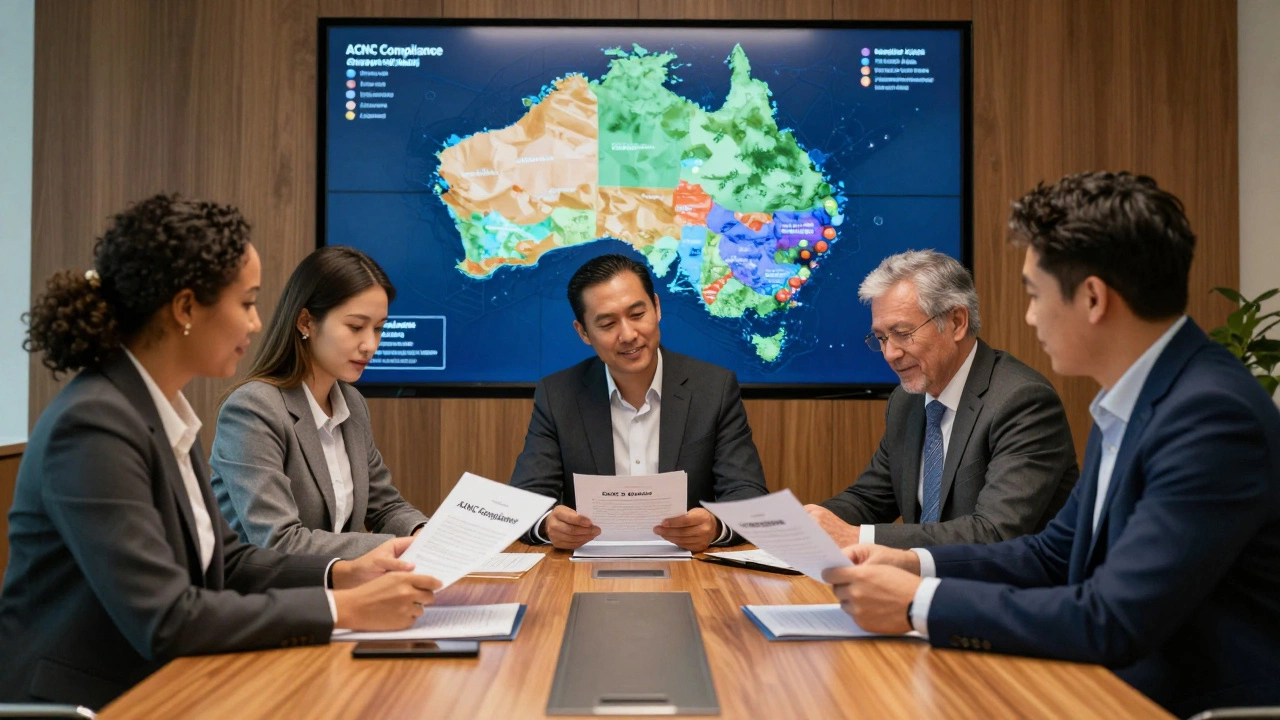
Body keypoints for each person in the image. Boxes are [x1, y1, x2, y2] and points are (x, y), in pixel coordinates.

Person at [823, 172, 1280, 717]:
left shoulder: (1209, 416)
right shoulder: (1139, 398)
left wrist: (919, 602)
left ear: (1092, 298)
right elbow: (1052, 554)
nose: (1030, 316)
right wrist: (911, 564)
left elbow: (1111, 620)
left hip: (1174, 703)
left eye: (1035, 295)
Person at [0, 195, 440, 709]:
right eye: (247, 303)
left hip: (166, 681)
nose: (256, 324)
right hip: (93, 701)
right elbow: (167, 618)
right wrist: (342, 609)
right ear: (186, 308)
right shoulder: (93, 424)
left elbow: (228, 561)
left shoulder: (159, 409)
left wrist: (345, 573)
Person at [805, 250, 1078, 548]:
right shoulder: (906, 402)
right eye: (881, 337)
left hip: (1008, 577)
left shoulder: (1022, 401)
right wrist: (801, 524)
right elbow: (869, 499)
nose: (889, 354)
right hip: (924, 576)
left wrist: (858, 537)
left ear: (957, 322)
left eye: (902, 333)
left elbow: (993, 532)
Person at [510, 253, 768, 552]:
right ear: (583, 332)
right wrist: (548, 526)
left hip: (691, 565)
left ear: (656, 308)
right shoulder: (558, 395)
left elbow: (748, 494)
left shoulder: (713, 388)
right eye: (608, 323)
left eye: (637, 314)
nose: (628, 335)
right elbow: (526, 501)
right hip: (588, 566)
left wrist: (716, 527)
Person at [210, 246, 428, 558]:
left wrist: (425, 534)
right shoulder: (252, 409)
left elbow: (385, 507)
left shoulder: (352, 404)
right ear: (305, 322)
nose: (370, 345)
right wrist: (394, 548)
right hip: (265, 588)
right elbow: (279, 542)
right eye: (356, 327)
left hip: (334, 585)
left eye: (379, 328)